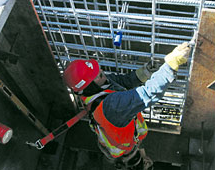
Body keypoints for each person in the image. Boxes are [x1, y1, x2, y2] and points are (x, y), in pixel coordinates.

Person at [63, 42, 191, 170]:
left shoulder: (95, 89)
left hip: (115, 143)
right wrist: (170, 65)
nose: (102, 71)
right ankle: (136, 164)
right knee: (131, 157)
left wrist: (145, 72)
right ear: (90, 86)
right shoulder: (112, 106)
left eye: (98, 70)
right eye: (99, 74)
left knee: (123, 151)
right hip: (124, 146)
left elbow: (122, 81)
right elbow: (148, 94)